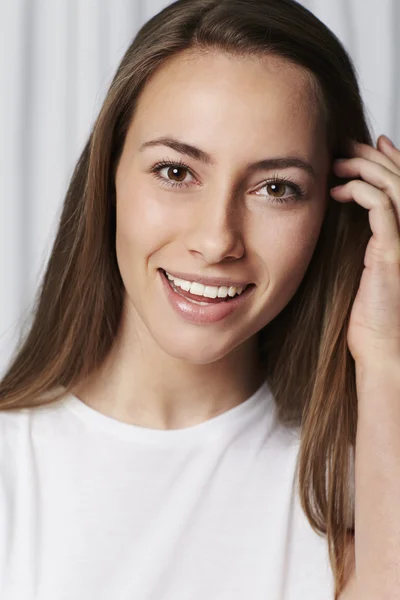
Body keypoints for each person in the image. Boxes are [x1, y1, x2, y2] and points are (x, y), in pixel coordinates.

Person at [1, 0, 400, 598]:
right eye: (175, 172)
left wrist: (386, 356)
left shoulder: (354, 494)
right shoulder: (14, 468)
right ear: (108, 175)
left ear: (335, 207)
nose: (217, 241)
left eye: (276, 188)